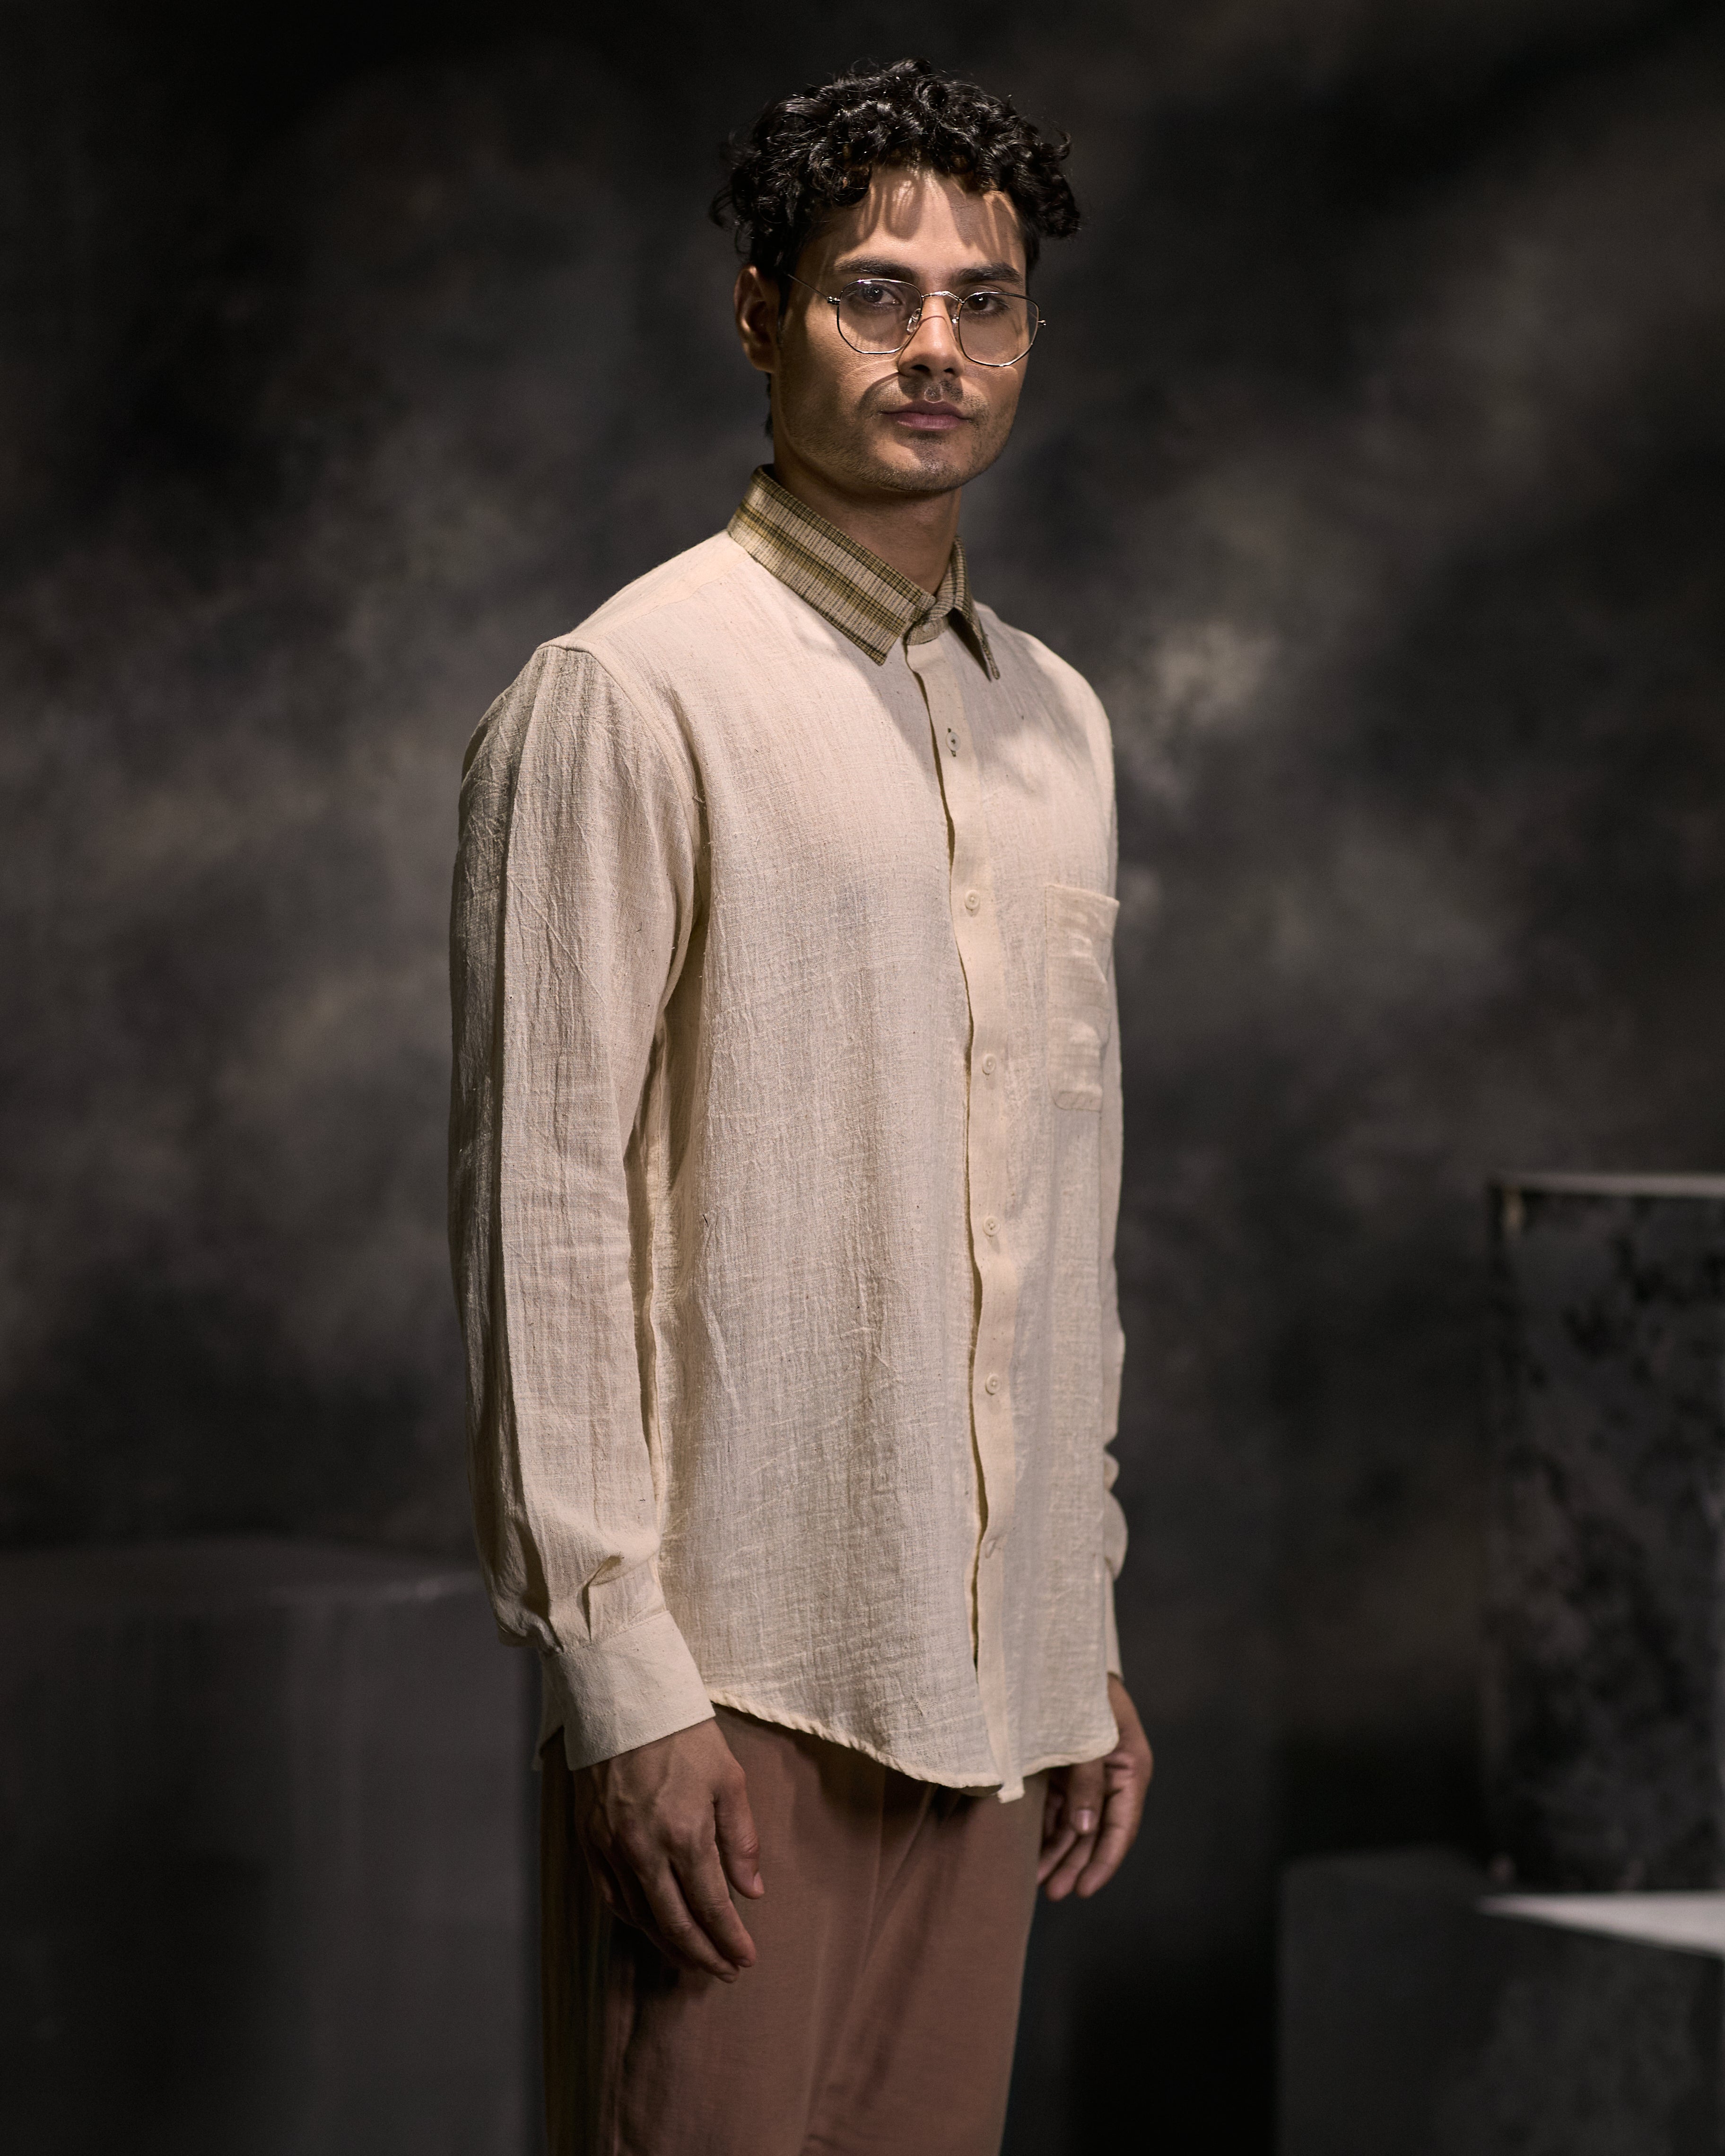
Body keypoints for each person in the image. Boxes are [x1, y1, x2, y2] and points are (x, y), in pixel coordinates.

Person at [448, 54, 1152, 2156]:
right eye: (876, 292)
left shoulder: (1061, 725)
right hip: (732, 1687)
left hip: (992, 1683)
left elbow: (1064, 1212)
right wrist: (617, 1683)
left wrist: (1076, 1622)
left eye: (983, 301)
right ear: (762, 315)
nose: (937, 345)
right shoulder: (629, 692)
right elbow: (545, 1212)